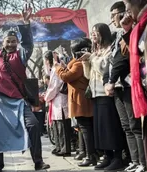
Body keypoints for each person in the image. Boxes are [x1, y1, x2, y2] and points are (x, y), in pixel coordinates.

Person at [0, 5, 50, 172]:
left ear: (17, 43)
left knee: (33, 125)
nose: (10, 44)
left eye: (13, 41)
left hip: (18, 101)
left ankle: (38, 161)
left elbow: (28, 43)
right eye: (8, 41)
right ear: (2, 43)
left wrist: (25, 22)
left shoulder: (22, 55)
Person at [103, 1, 146, 172]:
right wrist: (108, 80)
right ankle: (135, 160)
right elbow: (111, 62)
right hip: (118, 88)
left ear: (123, 13)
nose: (112, 19)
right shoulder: (117, 36)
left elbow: (122, 60)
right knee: (126, 126)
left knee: (135, 126)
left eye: (114, 14)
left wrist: (111, 80)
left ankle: (143, 162)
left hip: (129, 85)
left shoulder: (131, 31)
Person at [81, 23, 125, 171]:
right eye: (92, 33)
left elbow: (105, 70)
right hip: (95, 94)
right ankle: (107, 156)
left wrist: (92, 58)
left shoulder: (109, 49)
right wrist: (86, 62)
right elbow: (88, 76)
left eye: (96, 32)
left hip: (106, 93)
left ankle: (117, 157)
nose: (93, 35)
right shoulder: (96, 51)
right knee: (100, 129)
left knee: (111, 127)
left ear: (103, 33)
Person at [121, 0, 147, 171]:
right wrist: (128, 30)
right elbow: (136, 52)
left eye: (127, 8)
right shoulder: (142, 23)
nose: (127, 13)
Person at [54, 37, 96, 167]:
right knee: (83, 128)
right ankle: (87, 153)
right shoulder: (76, 62)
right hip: (78, 100)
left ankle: (91, 156)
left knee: (85, 128)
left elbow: (66, 76)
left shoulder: (78, 64)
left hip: (81, 100)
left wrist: (58, 68)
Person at [43, 51, 71, 157]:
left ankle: (65, 148)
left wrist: (46, 97)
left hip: (59, 99)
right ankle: (59, 147)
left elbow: (55, 86)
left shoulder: (56, 68)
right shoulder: (53, 69)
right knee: (56, 125)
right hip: (55, 100)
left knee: (61, 126)